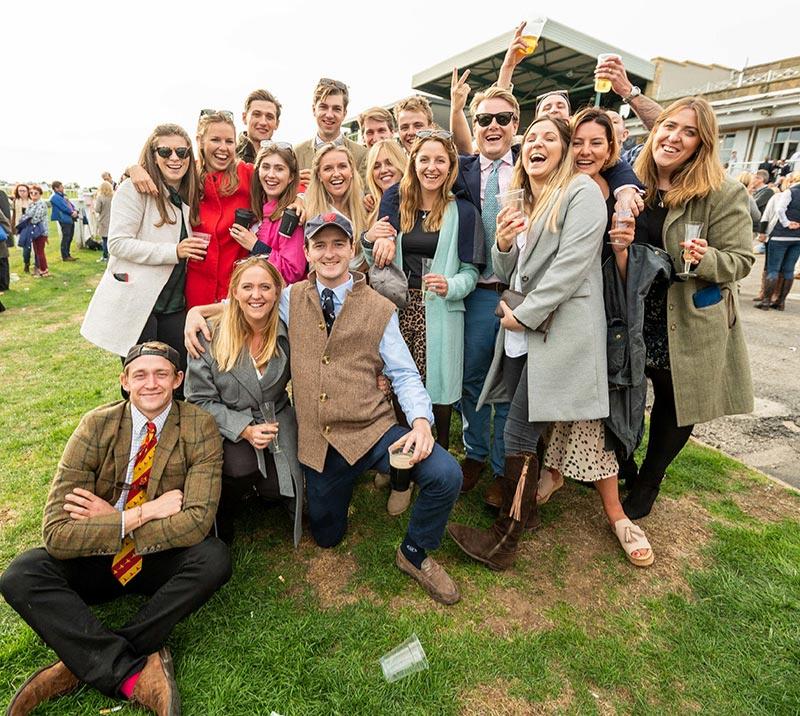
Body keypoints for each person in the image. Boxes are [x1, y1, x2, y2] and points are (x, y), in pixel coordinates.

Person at [186, 213, 464, 605]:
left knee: (445, 473)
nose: (329, 253)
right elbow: (246, 300)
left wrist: (420, 422)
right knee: (327, 537)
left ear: (352, 249)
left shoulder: (380, 307)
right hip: (320, 441)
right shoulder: (290, 298)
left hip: (374, 431)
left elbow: (403, 373)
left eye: (338, 244)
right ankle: (352, 486)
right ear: (307, 252)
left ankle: (414, 552)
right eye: (320, 245)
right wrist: (197, 312)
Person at [0, 341, 230, 716]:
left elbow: (197, 522)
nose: (150, 384)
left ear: (178, 380)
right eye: (140, 375)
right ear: (125, 380)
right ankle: (128, 670)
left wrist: (108, 522)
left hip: (159, 557)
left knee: (214, 557)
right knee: (21, 574)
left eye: (161, 374)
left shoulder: (198, 426)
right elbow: (57, 533)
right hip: (99, 556)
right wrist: (134, 515)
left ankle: (82, 662)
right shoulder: (96, 425)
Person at [446, 115, 608, 571]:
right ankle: (526, 513)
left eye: (549, 138)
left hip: (552, 332)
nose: (537, 143)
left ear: (564, 150)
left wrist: (525, 315)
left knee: (519, 431)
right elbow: (510, 267)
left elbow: (571, 267)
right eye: (531, 137)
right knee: (522, 430)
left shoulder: (581, 192)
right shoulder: (527, 199)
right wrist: (501, 240)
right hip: (521, 331)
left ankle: (503, 541)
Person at [619, 97, 754, 519]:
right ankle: (623, 464)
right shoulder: (631, 182)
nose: (674, 136)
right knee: (619, 393)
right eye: (669, 126)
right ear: (654, 131)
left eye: (689, 132)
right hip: (636, 312)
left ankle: (648, 482)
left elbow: (742, 260)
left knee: (674, 404)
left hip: (687, 315)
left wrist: (709, 257)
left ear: (702, 143)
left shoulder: (723, 192)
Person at [538, 108, 654, 566]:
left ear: (612, 151)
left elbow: (627, 273)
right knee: (558, 398)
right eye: (579, 142)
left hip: (603, 316)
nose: (586, 151)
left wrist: (622, 247)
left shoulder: (620, 196)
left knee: (593, 408)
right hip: (556, 307)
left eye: (597, 143)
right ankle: (553, 470)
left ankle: (616, 513)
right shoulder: (558, 188)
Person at [366, 130, 481, 449]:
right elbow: (375, 259)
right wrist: (369, 240)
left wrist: (450, 285)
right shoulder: (398, 205)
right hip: (400, 309)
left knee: (438, 392)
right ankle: (401, 463)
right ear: (413, 163)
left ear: (450, 167)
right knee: (401, 384)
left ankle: (437, 459)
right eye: (424, 159)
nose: (432, 167)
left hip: (440, 310)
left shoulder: (464, 212)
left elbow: (471, 272)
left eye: (440, 160)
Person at [185, 257, 303, 545]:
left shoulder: (289, 330)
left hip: (275, 417)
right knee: (239, 467)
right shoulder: (209, 335)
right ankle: (228, 504)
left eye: (265, 287)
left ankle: (265, 489)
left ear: (277, 291)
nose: (256, 295)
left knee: (284, 491)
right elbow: (198, 399)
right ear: (234, 292)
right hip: (229, 422)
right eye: (247, 287)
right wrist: (244, 429)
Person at [81, 124, 204, 395]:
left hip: (173, 305)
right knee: (143, 385)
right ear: (153, 154)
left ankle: (172, 437)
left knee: (178, 382)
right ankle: (137, 436)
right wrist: (174, 251)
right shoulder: (133, 189)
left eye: (182, 152)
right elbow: (117, 243)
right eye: (165, 151)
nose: (175, 158)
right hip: (141, 304)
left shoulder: (185, 195)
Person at [447, 78, 517, 503]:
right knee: (472, 376)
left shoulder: (534, 163)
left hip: (519, 291)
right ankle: (475, 452)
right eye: (484, 119)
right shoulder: (464, 170)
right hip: (476, 291)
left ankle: (501, 467)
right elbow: (419, 179)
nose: (493, 126)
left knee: (509, 382)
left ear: (516, 125)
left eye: (502, 118)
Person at [186, 110, 254, 307]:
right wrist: (134, 169)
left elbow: (284, 180)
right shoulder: (187, 174)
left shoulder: (247, 173)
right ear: (200, 141)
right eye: (215, 140)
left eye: (229, 141)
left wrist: (299, 198)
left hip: (236, 290)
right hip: (196, 290)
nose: (223, 148)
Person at [226, 141, 308, 285]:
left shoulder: (291, 215)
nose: (271, 175)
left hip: (277, 302)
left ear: (291, 177)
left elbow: (292, 271)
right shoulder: (257, 208)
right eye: (265, 167)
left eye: (279, 169)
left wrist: (256, 246)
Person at [304, 143, 368, 271]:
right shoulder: (306, 210)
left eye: (342, 166)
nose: (336, 173)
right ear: (319, 176)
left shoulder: (366, 206)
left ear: (351, 171)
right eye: (328, 169)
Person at [294, 78, 367, 184]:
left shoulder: (362, 155)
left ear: (344, 113)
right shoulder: (297, 154)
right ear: (314, 110)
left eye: (336, 109)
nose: (329, 115)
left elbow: (364, 196)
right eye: (323, 107)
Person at [756, 171, 800, 311]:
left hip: (780, 236)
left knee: (773, 269)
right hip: (798, 238)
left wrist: (787, 223)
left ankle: (766, 301)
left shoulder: (790, 192)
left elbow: (780, 209)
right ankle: (780, 302)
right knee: (788, 270)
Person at [364, 138, 406, 222]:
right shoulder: (368, 208)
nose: (383, 170)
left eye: (389, 163)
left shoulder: (419, 202)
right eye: (376, 166)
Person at [236, 89, 282, 163]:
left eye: (269, 117)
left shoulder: (284, 160)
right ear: (244, 118)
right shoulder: (229, 156)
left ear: (277, 124)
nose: (263, 122)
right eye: (257, 115)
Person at [20, 185, 51, 278]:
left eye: (36, 193)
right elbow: (26, 216)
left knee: (40, 251)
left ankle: (44, 270)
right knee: (37, 251)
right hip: (33, 230)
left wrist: (27, 220)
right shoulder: (32, 204)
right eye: (31, 193)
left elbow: (36, 218)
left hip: (40, 231)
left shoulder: (41, 203)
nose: (33, 195)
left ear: (40, 194)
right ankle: (42, 270)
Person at [50, 181, 79, 261]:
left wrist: (75, 211)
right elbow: (63, 207)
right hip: (64, 219)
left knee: (70, 236)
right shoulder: (55, 197)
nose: (63, 188)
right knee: (66, 237)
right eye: (61, 186)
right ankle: (65, 256)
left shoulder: (63, 196)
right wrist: (72, 212)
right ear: (56, 188)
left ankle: (68, 254)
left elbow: (70, 205)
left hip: (69, 218)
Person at [11, 184, 32, 268]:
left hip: (32, 225)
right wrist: (13, 227)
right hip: (21, 227)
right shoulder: (16, 201)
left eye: (24, 191)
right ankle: (26, 263)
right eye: (20, 191)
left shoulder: (32, 201)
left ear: (28, 191)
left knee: (33, 247)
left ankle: (37, 264)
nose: (22, 193)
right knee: (26, 247)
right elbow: (14, 215)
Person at [94, 180, 114, 261]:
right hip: (113, 219)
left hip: (104, 220)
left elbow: (97, 209)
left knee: (105, 239)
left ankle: (105, 256)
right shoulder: (114, 196)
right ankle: (112, 256)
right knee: (112, 239)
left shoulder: (100, 197)